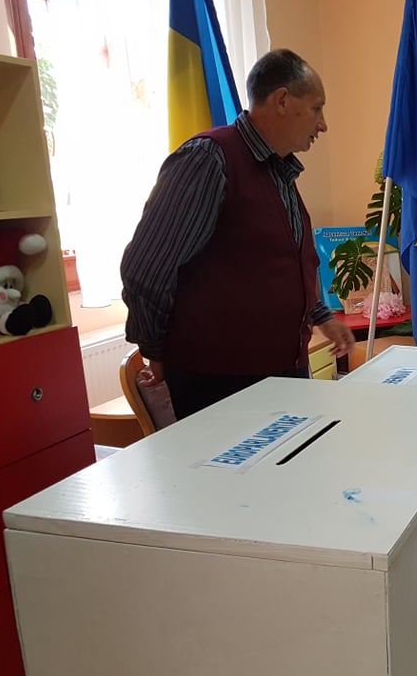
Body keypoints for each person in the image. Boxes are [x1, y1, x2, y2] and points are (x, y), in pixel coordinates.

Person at [121, 48, 355, 420]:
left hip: (280, 373)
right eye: (316, 109)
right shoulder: (208, 160)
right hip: (220, 383)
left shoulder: (278, 171)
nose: (323, 124)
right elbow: (147, 267)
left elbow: (278, 264)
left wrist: (322, 317)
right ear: (282, 100)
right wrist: (155, 349)